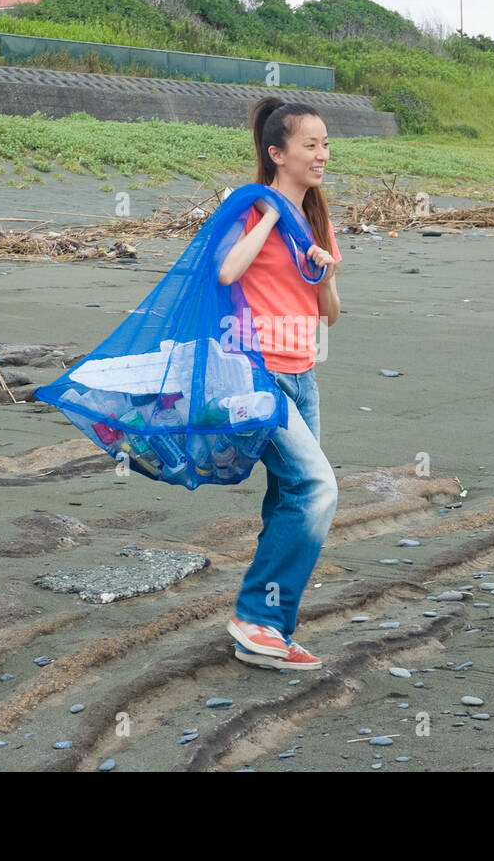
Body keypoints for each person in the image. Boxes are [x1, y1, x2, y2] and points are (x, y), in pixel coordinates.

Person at [218, 96, 342, 671]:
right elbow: (225, 271)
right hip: (254, 374)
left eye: (325, 144)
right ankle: (257, 619)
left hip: (302, 374)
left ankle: (271, 626)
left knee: (287, 498)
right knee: (317, 488)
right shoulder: (247, 207)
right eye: (310, 145)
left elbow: (329, 314)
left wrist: (326, 274)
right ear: (277, 153)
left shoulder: (318, 218)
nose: (322, 155)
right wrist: (269, 212)